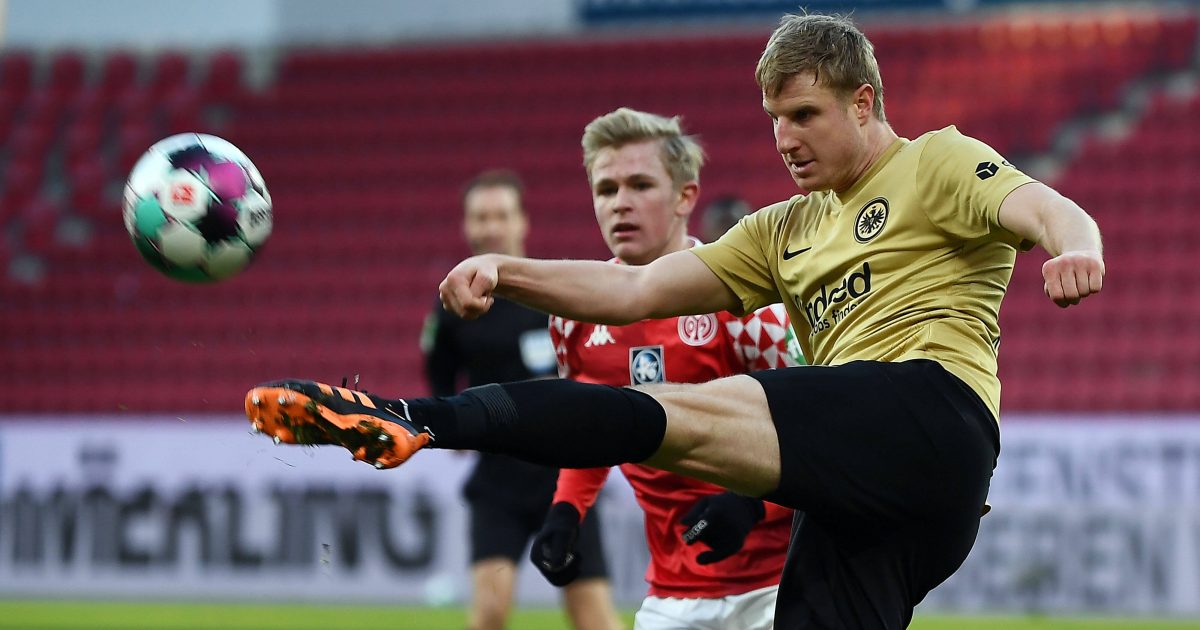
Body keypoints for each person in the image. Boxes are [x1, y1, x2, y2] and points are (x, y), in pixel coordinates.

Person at [245, 13, 1105, 629]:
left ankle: (409, 420)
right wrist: (507, 270)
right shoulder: (782, 230)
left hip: (931, 413)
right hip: (875, 504)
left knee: (672, 415)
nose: (785, 139)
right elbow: (631, 293)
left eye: (804, 115)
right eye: (774, 121)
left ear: (864, 101)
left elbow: (1049, 210)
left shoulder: (935, 163)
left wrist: (1074, 249)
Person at [528, 108, 799, 630]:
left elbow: (811, 427)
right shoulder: (573, 316)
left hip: (781, 582)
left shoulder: (748, 305)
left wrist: (751, 503)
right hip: (673, 593)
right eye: (606, 189)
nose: (620, 203)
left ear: (685, 197)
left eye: (640, 184)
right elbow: (594, 426)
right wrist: (566, 511)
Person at [420, 170, 623, 630]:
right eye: (480, 217)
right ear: (466, 226)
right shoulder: (453, 303)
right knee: (489, 614)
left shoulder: (553, 289)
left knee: (593, 619)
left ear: (522, 222)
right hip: (498, 482)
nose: (491, 226)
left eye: (501, 215)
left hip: (565, 475)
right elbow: (439, 373)